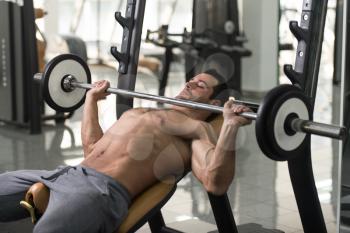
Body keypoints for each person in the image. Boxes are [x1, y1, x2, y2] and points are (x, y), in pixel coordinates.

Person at [0, 70, 251, 233]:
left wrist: (228, 126)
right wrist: (91, 101)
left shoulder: (197, 131)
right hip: (66, 174)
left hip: (97, 193)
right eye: (191, 79)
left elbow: (215, 183)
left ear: (214, 104)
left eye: (199, 85)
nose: (189, 84)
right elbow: (92, 149)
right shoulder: (143, 113)